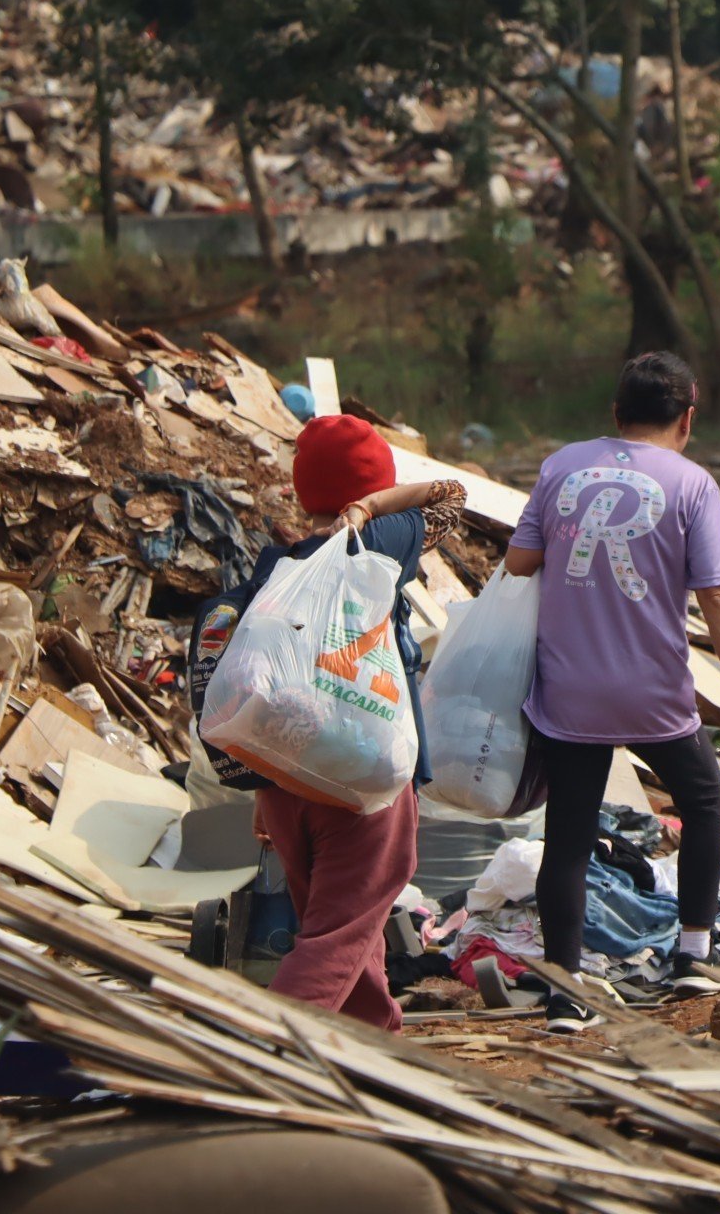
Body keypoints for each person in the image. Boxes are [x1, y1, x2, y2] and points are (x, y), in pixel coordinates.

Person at [503, 351, 720, 1032]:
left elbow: (519, 562)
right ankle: (692, 953)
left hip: (570, 690)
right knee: (705, 802)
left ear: (616, 415)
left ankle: (565, 993)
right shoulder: (693, 484)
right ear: (689, 417)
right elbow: (716, 594)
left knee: (567, 837)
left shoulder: (561, 466)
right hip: (652, 692)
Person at [190, 414, 466, 1031]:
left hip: (286, 783)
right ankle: (265, 1049)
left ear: (299, 491)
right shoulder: (380, 542)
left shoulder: (279, 569)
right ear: (370, 487)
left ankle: (374, 1040)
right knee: (338, 933)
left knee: (340, 922)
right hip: (363, 781)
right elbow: (450, 496)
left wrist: (264, 794)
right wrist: (370, 507)